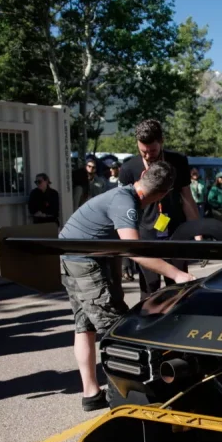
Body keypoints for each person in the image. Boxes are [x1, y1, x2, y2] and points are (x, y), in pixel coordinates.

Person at [58, 161, 195, 411]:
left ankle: (91, 393)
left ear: (143, 175)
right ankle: (120, 395)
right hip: (84, 262)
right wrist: (176, 274)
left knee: (85, 325)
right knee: (116, 329)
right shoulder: (125, 202)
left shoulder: (124, 195)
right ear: (163, 194)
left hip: (72, 257)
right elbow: (133, 249)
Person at [117, 120, 199, 298]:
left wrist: (198, 231)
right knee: (150, 287)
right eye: (143, 151)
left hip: (176, 231)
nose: (148, 156)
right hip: (145, 232)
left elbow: (187, 198)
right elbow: (122, 206)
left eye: (152, 151)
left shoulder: (178, 161)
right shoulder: (129, 167)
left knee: (178, 285)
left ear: (161, 142)